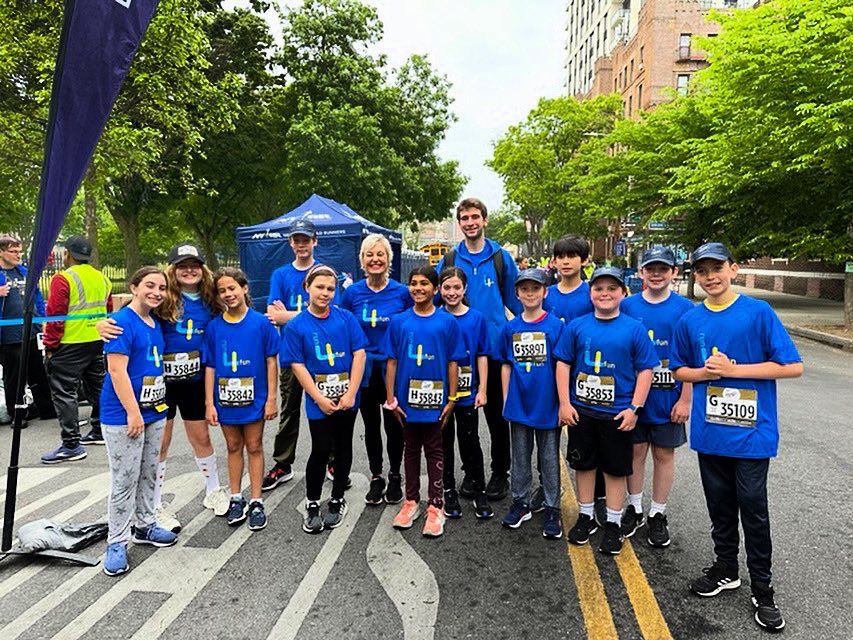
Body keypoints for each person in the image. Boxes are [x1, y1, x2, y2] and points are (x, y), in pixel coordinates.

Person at [671, 242, 803, 633]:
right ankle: (726, 568)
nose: (710, 277)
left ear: (734, 269)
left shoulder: (757, 312)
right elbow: (680, 370)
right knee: (720, 505)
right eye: (701, 270)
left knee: (752, 506)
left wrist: (733, 370)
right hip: (711, 433)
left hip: (751, 433)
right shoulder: (689, 321)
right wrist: (706, 375)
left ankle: (762, 587)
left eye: (717, 268)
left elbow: (792, 366)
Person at [96, 244, 231, 532]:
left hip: (195, 380)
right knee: (160, 443)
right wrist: (101, 324)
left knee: (201, 438)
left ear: (202, 268)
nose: (189, 270)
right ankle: (154, 505)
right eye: (182, 265)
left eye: (194, 264)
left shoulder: (211, 298)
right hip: (161, 383)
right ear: (173, 269)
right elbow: (131, 314)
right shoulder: (162, 297)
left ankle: (213, 490)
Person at [555, 266, 658, 556]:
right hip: (582, 412)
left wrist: (635, 408)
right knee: (584, 465)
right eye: (598, 289)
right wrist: (564, 402)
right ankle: (586, 515)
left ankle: (613, 521)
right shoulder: (577, 327)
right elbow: (563, 363)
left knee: (615, 469)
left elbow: (645, 369)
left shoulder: (633, 329)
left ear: (623, 293)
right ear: (590, 294)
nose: (605, 294)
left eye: (612, 289)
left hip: (617, 414)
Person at [437, 197, 521, 501]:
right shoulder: (449, 260)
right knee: (459, 418)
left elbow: (516, 300)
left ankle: (501, 473)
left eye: (475, 217)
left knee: (498, 419)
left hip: (495, 352)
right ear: (459, 224)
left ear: (484, 220)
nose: (470, 222)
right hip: (453, 356)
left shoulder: (500, 258)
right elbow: (432, 300)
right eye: (464, 218)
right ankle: (472, 473)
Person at [100, 267, 176, 576]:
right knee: (124, 478)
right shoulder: (120, 323)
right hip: (124, 415)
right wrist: (133, 412)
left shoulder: (155, 322)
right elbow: (117, 371)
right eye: (150, 285)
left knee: (149, 471)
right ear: (133, 287)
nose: (156, 292)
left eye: (161, 287)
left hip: (154, 409)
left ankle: (145, 525)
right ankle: (116, 540)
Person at [282, 265, 367, 534]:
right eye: (320, 287)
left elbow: (359, 353)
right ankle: (312, 501)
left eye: (331, 288)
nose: (326, 293)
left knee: (343, 447)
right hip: (318, 399)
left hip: (347, 397)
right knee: (320, 449)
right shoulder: (296, 325)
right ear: (307, 288)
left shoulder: (346, 318)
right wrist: (318, 397)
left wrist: (351, 392)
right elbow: (297, 364)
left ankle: (337, 498)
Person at [382, 266, 466, 538]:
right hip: (406, 400)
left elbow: (453, 363)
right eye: (413, 283)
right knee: (410, 448)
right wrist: (391, 398)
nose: (418, 288)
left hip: (436, 400)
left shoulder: (447, 323)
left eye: (424, 284)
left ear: (436, 289)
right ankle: (411, 501)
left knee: (434, 449)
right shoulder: (398, 322)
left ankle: (436, 505)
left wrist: (451, 399)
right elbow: (391, 362)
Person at [620, 247, 694, 547]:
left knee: (664, 455)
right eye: (650, 268)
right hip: (635, 399)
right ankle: (635, 508)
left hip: (669, 398)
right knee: (635, 454)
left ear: (673, 272)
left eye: (663, 268)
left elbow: (692, 358)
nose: (656, 274)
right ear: (640, 273)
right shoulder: (626, 306)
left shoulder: (685, 309)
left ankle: (658, 513)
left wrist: (686, 398)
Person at [204, 268, 280, 531]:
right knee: (233, 446)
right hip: (225, 400)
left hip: (255, 398)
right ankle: (236, 496)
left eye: (232, 288)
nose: (228, 294)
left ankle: (257, 500)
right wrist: (209, 403)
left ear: (244, 289)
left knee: (255, 445)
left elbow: (271, 361)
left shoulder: (261, 323)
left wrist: (271, 398)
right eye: (222, 290)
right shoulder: (214, 327)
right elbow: (210, 366)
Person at [341, 234, 411, 505]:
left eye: (380, 254)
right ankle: (376, 475)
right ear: (362, 260)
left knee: (395, 425)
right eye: (369, 255)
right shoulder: (353, 293)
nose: (375, 259)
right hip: (364, 371)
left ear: (388, 260)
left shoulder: (402, 292)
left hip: (393, 369)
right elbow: (344, 326)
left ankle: (395, 475)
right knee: (371, 425)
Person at [499, 269, 564, 539]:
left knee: (549, 457)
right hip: (519, 402)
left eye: (535, 289)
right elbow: (505, 365)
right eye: (524, 289)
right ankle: (521, 502)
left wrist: (563, 402)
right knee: (520, 456)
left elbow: (562, 365)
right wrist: (506, 399)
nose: (529, 293)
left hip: (547, 402)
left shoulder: (556, 326)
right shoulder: (510, 327)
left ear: (544, 292)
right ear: (517, 294)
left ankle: (552, 507)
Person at [40, 236, 111, 463]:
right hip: (96, 340)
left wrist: (50, 345)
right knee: (97, 386)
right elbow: (107, 310)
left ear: (67, 254)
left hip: (70, 343)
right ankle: (100, 430)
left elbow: (56, 316)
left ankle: (71, 444)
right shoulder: (102, 278)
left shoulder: (63, 279)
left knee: (64, 392)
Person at [262, 219, 321, 491]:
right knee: (289, 410)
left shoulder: (322, 272)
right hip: (291, 352)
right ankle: (283, 463)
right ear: (291, 243)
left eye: (306, 239)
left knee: (324, 408)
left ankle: (330, 458)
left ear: (314, 241)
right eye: (297, 240)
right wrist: (299, 315)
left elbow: (325, 311)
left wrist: (289, 316)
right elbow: (275, 314)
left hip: (320, 352)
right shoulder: (280, 274)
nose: (301, 244)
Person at [437, 267, 493, 519]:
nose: (451, 292)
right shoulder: (435, 317)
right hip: (441, 395)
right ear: (439, 289)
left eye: (456, 287)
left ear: (465, 289)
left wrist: (482, 389)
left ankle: (478, 488)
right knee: (444, 442)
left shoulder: (476, 318)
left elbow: (482, 354)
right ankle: (448, 489)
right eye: (446, 287)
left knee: (470, 440)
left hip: (468, 393)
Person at [0, 235, 56, 430]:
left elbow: (38, 297)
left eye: (19, 251)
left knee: (37, 371)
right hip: (8, 336)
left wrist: (41, 320)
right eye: (13, 251)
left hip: (30, 332)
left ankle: (46, 408)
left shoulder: (24, 272)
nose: (18, 255)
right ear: (1, 252)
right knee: (14, 376)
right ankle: (17, 413)